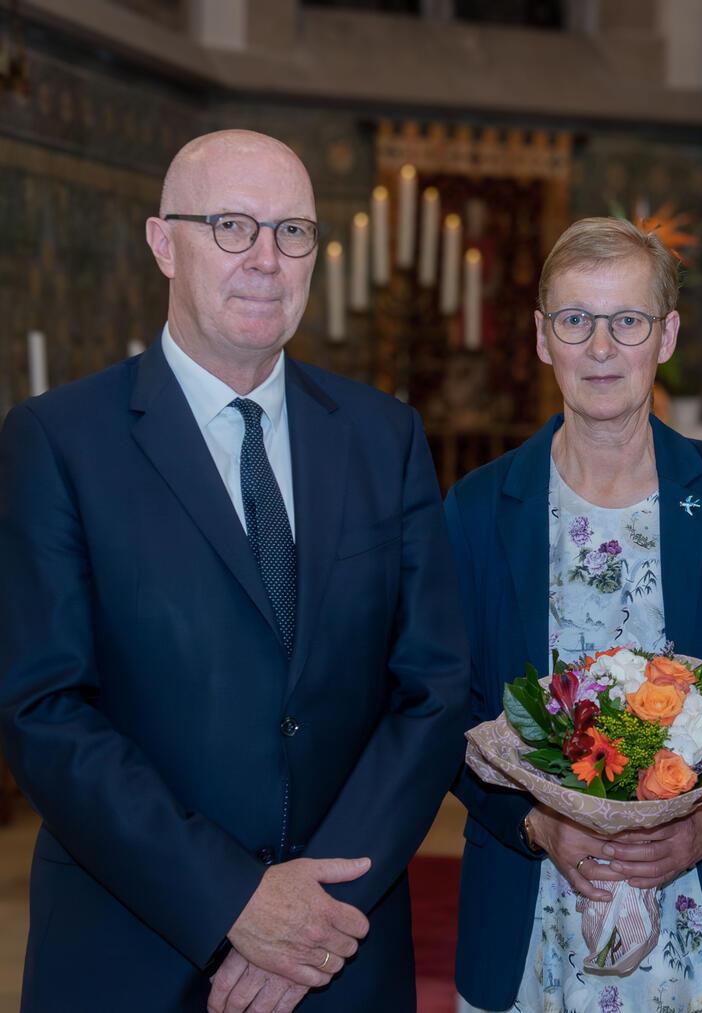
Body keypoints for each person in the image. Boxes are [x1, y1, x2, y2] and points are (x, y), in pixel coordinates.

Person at [0, 129, 470, 1011]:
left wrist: (313, 910)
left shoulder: (384, 437)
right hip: (135, 942)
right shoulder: (61, 442)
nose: (266, 258)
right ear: (161, 241)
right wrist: (234, 901)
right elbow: (45, 710)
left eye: (292, 232)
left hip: (344, 949)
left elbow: (434, 688)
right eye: (231, 226)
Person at [444, 217, 702, 1011]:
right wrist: (538, 825)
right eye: (575, 320)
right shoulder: (480, 508)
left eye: (627, 321)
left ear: (667, 335)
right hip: (536, 912)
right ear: (544, 337)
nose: (600, 347)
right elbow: (440, 714)